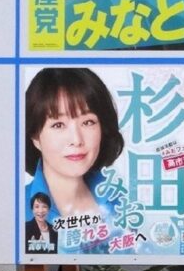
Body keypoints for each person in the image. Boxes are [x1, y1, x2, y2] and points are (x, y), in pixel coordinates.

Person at [25, 67, 124, 226]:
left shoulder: (120, 201)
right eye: (58, 125)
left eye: (87, 122)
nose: (76, 139)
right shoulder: (17, 208)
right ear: (35, 137)